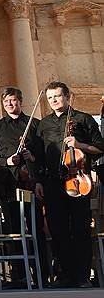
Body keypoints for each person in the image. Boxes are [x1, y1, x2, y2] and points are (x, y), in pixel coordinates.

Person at [34, 81, 103, 288]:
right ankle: (66, 275)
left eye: (57, 96)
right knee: (58, 230)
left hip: (78, 182)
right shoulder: (43, 124)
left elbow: (100, 148)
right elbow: (39, 156)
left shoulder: (83, 119)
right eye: (50, 98)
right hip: (53, 182)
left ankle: (82, 276)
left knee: (81, 229)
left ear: (66, 96)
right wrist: (38, 180)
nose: (54, 100)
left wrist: (79, 144)